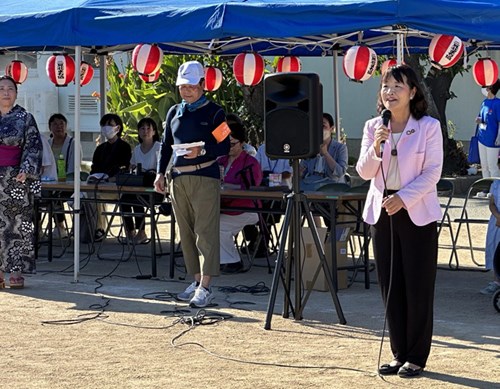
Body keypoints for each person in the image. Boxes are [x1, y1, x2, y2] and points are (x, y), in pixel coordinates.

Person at [356, 65, 443, 378]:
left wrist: (403, 198)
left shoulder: (428, 126)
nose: (389, 92)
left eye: (397, 86)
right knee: (390, 284)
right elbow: (364, 172)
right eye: (385, 86)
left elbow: (433, 172)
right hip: (382, 210)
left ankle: (417, 356)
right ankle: (398, 353)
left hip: (415, 210)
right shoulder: (372, 127)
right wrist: (377, 146)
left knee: (417, 285)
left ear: (413, 92)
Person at [154, 60, 230, 307]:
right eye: (181, 86)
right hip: (178, 178)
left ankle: (206, 285)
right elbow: (165, 146)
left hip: (204, 176)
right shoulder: (174, 111)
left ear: (201, 84)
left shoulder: (215, 112)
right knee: (185, 233)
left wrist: (203, 148)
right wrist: (159, 173)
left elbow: (225, 145)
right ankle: (196, 281)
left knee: (205, 232)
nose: (186, 90)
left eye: (190, 85)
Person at [0, 75, 43, 289]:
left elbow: (33, 146)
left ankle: (16, 270)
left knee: (17, 226)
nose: (6, 92)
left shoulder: (25, 117)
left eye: (10, 88)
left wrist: (26, 169)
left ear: (16, 93)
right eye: (1, 88)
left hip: (16, 180)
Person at [218, 120, 263, 273]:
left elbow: (251, 188)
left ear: (242, 143)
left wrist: (230, 188)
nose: (228, 147)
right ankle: (218, 259)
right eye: (226, 143)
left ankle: (233, 262)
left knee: (219, 226)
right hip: (225, 206)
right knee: (204, 223)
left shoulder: (251, 162)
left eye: (232, 144)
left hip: (247, 208)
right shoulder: (220, 160)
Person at [244, 142, 292, 257]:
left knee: (267, 210)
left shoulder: (288, 148)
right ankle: (254, 237)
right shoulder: (262, 148)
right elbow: (255, 167)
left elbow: (288, 174)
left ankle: (263, 242)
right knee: (245, 205)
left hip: (281, 191)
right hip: (262, 188)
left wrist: (270, 178)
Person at [90, 113, 132, 241]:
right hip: (99, 185)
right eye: (104, 125)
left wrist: (110, 178)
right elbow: (93, 169)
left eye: (110, 125)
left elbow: (124, 168)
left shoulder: (125, 147)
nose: (106, 128)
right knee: (85, 196)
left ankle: (99, 229)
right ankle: (90, 229)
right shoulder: (100, 149)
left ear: (117, 128)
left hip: (116, 187)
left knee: (94, 196)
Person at [120, 117, 162, 244]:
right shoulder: (137, 149)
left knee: (137, 198)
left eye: (149, 128)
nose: (145, 131)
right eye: (142, 128)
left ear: (154, 131)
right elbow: (132, 166)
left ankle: (141, 232)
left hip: (153, 189)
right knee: (124, 199)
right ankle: (130, 231)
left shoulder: (159, 148)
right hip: (138, 186)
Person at [47, 113, 82, 238]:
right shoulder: (47, 143)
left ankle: (60, 225)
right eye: (55, 124)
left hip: (68, 183)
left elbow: (74, 166)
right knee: (38, 196)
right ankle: (38, 228)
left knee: (56, 195)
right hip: (50, 182)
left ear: (66, 126)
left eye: (61, 124)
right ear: (50, 127)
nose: (59, 127)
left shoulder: (73, 143)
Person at [299, 113, 348, 191]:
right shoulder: (310, 148)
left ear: (331, 129)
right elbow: (303, 169)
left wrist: (326, 154)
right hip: (311, 183)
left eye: (323, 126)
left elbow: (340, 172)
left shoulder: (340, 148)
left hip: (331, 185)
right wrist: (300, 173)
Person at [475, 80, 500, 178]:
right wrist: (479, 120)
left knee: (492, 166)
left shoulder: (497, 103)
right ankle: (485, 188)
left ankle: (495, 189)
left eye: (485, 86)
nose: (483, 88)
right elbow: (483, 118)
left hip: (492, 140)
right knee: (484, 166)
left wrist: (498, 138)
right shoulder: (484, 102)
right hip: (482, 138)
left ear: (490, 88)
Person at [482, 179, 500, 295]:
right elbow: (492, 203)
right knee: (495, 249)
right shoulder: (496, 184)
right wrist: (498, 216)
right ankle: (497, 281)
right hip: (497, 221)